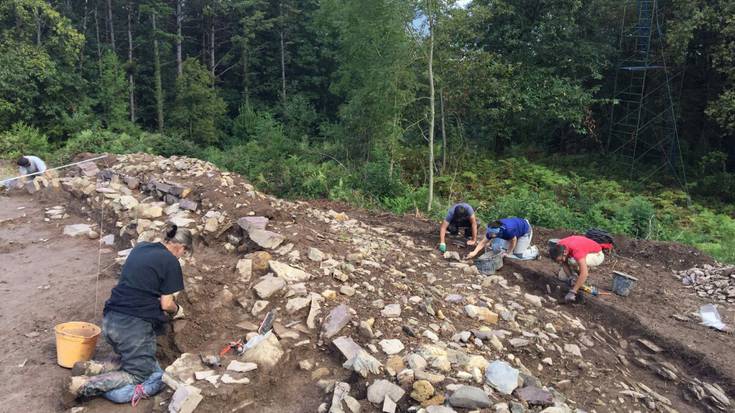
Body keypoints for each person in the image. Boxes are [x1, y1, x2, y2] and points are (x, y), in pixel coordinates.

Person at [63, 224, 192, 405]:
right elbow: (166, 303)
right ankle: (82, 385)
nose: (181, 256)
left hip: (110, 319)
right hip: (132, 328)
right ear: (181, 247)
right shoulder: (171, 261)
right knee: (140, 374)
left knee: (134, 360)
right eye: (184, 253)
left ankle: (92, 367)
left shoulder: (141, 248)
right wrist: (177, 310)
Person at [549, 235, 605, 303]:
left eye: (560, 260)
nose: (560, 262)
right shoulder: (558, 247)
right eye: (558, 261)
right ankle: (576, 277)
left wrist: (572, 292)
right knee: (562, 277)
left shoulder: (576, 251)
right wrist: (571, 277)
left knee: (574, 262)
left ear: (565, 252)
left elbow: (584, 273)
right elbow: (563, 262)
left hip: (596, 254)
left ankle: (581, 277)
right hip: (580, 250)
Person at [466, 217, 534, 259]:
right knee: (503, 249)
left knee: (517, 255)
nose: (491, 236)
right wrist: (474, 252)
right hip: (515, 230)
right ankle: (522, 246)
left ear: (499, 231)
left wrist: (508, 253)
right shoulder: (492, 229)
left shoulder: (508, 231)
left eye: (493, 235)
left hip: (525, 230)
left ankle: (533, 252)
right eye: (491, 234)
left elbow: (514, 240)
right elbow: (483, 242)